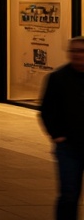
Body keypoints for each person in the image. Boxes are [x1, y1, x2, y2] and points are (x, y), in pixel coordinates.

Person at [42, 36, 84, 220]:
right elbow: (47, 109)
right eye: (73, 51)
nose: (77, 55)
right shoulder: (57, 78)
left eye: (81, 51)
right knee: (69, 194)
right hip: (68, 147)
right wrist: (57, 134)